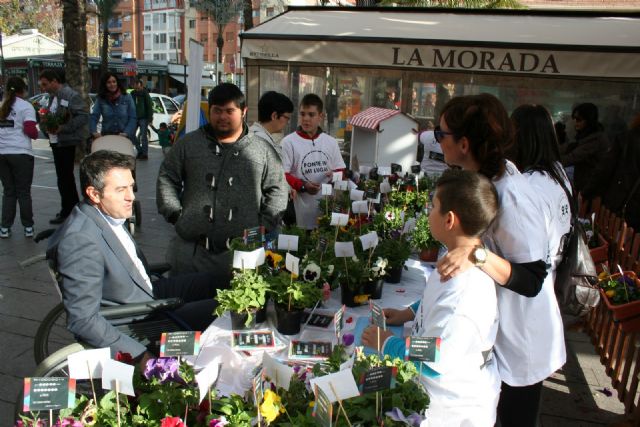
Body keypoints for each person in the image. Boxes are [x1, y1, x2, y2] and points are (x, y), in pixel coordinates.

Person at [435, 94, 561, 427]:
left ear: (463, 143)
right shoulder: (484, 181)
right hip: (498, 329)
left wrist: (476, 254)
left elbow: (533, 278)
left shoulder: (513, 197)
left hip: (523, 340)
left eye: (440, 134)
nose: (437, 141)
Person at [47, 150, 224, 366]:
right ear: (94, 194)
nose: (131, 196)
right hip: (137, 319)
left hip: (143, 290)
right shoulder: (80, 240)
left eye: (132, 186)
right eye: (121, 189)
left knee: (219, 280)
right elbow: (83, 320)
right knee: (225, 309)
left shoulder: (103, 215)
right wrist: (139, 355)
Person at [362, 169, 500, 426]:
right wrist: (409, 313)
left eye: (433, 206)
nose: (428, 212)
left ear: (449, 220)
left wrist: (387, 343)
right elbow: (434, 298)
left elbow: (438, 358)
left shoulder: (465, 294)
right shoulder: (455, 259)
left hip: (452, 408)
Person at [157, 83, 288, 280]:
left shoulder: (262, 150)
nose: (223, 117)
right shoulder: (189, 144)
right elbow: (167, 176)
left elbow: (277, 189)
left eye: (230, 111)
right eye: (217, 111)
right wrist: (176, 214)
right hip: (192, 253)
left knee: (243, 309)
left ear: (243, 112)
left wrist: (264, 225)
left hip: (244, 252)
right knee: (187, 307)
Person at [281, 93, 346, 230]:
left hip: (326, 214)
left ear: (321, 117)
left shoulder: (331, 142)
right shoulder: (288, 142)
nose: (305, 119)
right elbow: (282, 174)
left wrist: (333, 176)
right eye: (302, 114)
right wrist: (303, 186)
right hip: (299, 216)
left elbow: (341, 170)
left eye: (311, 115)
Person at [38, 69, 89, 225]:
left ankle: (70, 210)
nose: (43, 88)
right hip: (56, 141)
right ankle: (68, 209)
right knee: (63, 178)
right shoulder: (51, 97)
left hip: (67, 141)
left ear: (55, 81)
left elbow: (83, 116)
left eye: (45, 84)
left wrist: (64, 128)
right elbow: (48, 115)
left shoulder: (70, 95)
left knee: (65, 177)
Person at [583, 113, 640, 230]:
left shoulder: (626, 139)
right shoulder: (626, 140)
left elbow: (603, 171)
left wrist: (586, 194)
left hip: (620, 207)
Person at [0, 77, 38, 238]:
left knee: (9, 192)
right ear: (23, 90)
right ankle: (28, 227)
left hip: (2, 154)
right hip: (21, 154)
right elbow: (31, 131)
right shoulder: (26, 107)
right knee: (23, 192)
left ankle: (4, 228)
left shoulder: (1, 106)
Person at [560, 102, 609, 194]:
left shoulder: (595, 139)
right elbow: (568, 148)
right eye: (574, 118)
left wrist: (548, 161)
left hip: (591, 190)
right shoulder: (585, 136)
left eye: (578, 119)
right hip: (585, 186)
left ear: (588, 120)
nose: (575, 122)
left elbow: (573, 157)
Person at [90, 72, 136, 144]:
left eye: (114, 82)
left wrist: (126, 133)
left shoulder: (127, 97)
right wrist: (94, 132)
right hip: (107, 137)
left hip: (124, 137)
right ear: (105, 84)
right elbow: (94, 116)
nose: (112, 84)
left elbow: (133, 117)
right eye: (109, 82)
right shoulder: (101, 99)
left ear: (117, 82)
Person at [131, 78, 154, 160]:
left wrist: (150, 119)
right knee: (131, 134)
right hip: (134, 118)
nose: (137, 90)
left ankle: (144, 154)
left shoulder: (145, 94)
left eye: (138, 88)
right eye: (135, 88)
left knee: (143, 136)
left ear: (141, 86)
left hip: (143, 118)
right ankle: (140, 150)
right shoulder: (132, 93)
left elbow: (149, 106)